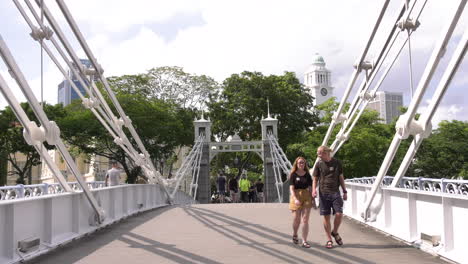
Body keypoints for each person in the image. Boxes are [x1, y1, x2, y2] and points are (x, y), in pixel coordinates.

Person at [312, 146, 348, 249]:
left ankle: (335, 232)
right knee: (326, 216)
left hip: (335, 192)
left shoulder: (337, 163)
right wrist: (314, 190)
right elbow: (315, 178)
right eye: (318, 153)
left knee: (339, 213)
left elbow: (341, 177)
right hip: (323, 193)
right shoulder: (319, 164)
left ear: (325, 153)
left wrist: (345, 191)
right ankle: (329, 239)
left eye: (319, 153)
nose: (318, 155)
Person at [289, 156, 313, 248]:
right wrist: (295, 198)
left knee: (305, 220)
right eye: (300, 162)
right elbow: (291, 188)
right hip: (296, 195)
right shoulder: (293, 174)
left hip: (306, 196)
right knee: (297, 219)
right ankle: (295, 234)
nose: (301, 164)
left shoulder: (307, 175)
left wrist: (313, 199)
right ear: (296, 164)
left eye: (303, 162)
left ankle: (304, 241)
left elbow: (310, 188)